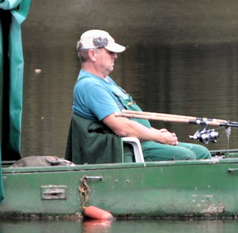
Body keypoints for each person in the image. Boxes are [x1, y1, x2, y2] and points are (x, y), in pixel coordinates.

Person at [65, 30, 211, 164]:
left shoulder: (106, 81)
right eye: (110, 52)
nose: (115, 56)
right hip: (126, 147)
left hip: (141, 141)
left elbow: (130, 119)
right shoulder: (90, 86)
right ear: (92, 54)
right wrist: (158, 137)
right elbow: (122, 128)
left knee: (202, 153)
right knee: (186, 156)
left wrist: (155, 132)